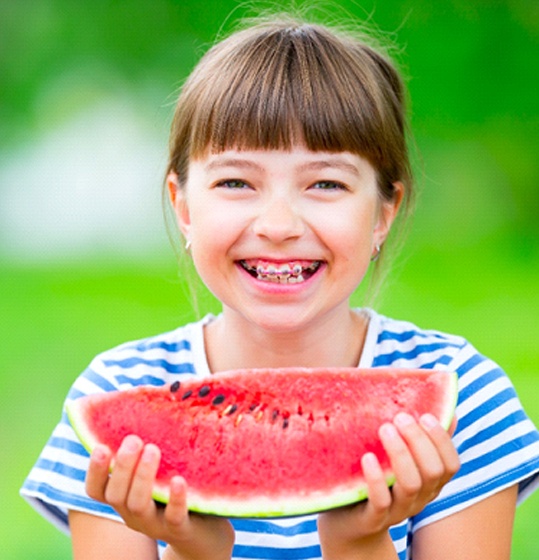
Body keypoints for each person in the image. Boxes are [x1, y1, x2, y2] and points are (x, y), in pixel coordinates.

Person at [21, 13, 539, 560]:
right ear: (183, 206)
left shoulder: (463, 400)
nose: (278, 224)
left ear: (384, 212)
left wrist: (359, 545)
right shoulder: (115, 396)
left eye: (326, 183)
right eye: (236, 182)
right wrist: (196, 552)